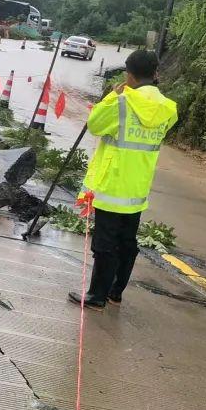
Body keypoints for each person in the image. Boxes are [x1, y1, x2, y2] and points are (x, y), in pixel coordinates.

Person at [69, 50, 178, 310]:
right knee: (127, 243)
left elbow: (94, 124)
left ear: (129, 75)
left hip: (111, 187)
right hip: (137, 189)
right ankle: (115, 293)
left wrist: (111, 96)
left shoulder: (120, 103)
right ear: (156, 73)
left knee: (104, 245)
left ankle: (97, 296)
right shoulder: (167, 108)